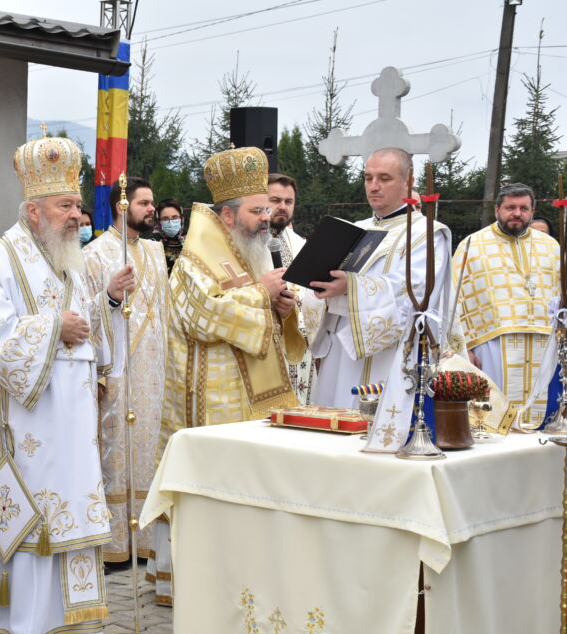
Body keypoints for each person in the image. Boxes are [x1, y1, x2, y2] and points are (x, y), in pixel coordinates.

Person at [0, 134, 132, 634]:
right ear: (33, 211)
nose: (78, 215)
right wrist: (55, 328)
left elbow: (83, 327)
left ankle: (71, 627)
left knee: (69, 510)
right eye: (66, 206)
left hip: (69, 421)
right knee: (33, 514)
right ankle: (20, 625)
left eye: (77, 205)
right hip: (25, 426)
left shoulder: (67, 259)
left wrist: (110, 301)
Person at [150, 147, 306, 606]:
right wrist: (263, 293)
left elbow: (255, 316)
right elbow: (204, 316)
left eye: (270, 209)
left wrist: (278, 310)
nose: (268, 217)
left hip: (249, 400)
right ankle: (201, 585)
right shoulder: (195, 261)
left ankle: (244, 575)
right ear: (227, 214)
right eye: (258, 210)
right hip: (208, 405)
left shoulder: (246, 255)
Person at [302, 147, 451, 412]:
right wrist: (320, 289)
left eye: (384, 178)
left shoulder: (427, 234)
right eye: (368, 178)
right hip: (342, 352)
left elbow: (418, 289)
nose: (374, 186)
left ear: (408, 181)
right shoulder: (355, 230)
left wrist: (351, 286)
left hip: (392, 354)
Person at [83, 175, 169, 565]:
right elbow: (85, 315)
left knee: (151, 453)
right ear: (122, 206)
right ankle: (115, 546)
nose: (152, 210)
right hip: (117, 376)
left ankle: (146, 543)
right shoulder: (95, 255)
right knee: (115, 458)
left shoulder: (155, 252)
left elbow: (166, 315)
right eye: (144, 203)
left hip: (154, 375)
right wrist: (112, 296)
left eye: (152, 204)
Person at [453, 183, 560, 425]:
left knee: (540, 419)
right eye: (510, 207)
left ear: (532, 212)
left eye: (524, 208)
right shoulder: (472, 245)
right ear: (497, 210)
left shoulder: (551, 246)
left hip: (543, 344)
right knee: (493, 417)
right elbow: (453, 300)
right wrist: (464, 348)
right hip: (492, 344)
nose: (517, 213)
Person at [268, 172, 314, 405]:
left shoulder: (302, 245)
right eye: (275, 200)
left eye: (289, 202)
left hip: (301, 348)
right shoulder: (247, 243)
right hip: (266, 348)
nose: (282, 207)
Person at [152, 198, 185, 274]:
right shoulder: (152, 244)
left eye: (175, 217)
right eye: (165, 219)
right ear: (159, 221)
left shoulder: (190, 242)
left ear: (181, 218)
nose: (171, 222)